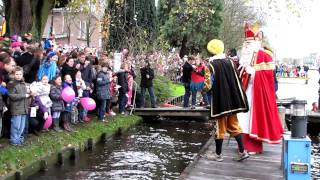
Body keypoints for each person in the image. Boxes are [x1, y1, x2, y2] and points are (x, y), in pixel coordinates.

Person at [237, 24, 284, 154]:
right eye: (245, 42)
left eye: (249, 42)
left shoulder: (264, 56)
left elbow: (269, 77)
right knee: (243, 119)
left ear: (257, 41)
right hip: (246, 93)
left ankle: (253, 147)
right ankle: (243, 146)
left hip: (257, 94)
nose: (246, 45)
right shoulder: (244, 58)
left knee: (254, 120)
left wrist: (254, 73)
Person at [206, 39, 249, 162]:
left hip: (219, 101)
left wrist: (204, 93)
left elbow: (207, 85)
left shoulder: (210, 65)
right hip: (232, 101)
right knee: (234, 125)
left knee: (219, 127)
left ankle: (218, 155)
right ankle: (242, 151)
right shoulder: (230, 62)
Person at [8, 66, 34, 146]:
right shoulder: (11, 84)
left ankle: (19, 139)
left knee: (22, 126)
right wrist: (25, 95)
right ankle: (14, 140)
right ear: (14, 74)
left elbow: (26, 95)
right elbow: (12, 96)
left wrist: (30, 94)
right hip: (16, 108)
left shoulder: (23, 83)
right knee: (16, 125)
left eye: (20, 74)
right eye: (17, 74)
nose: (19, 76)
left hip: (24, 107)